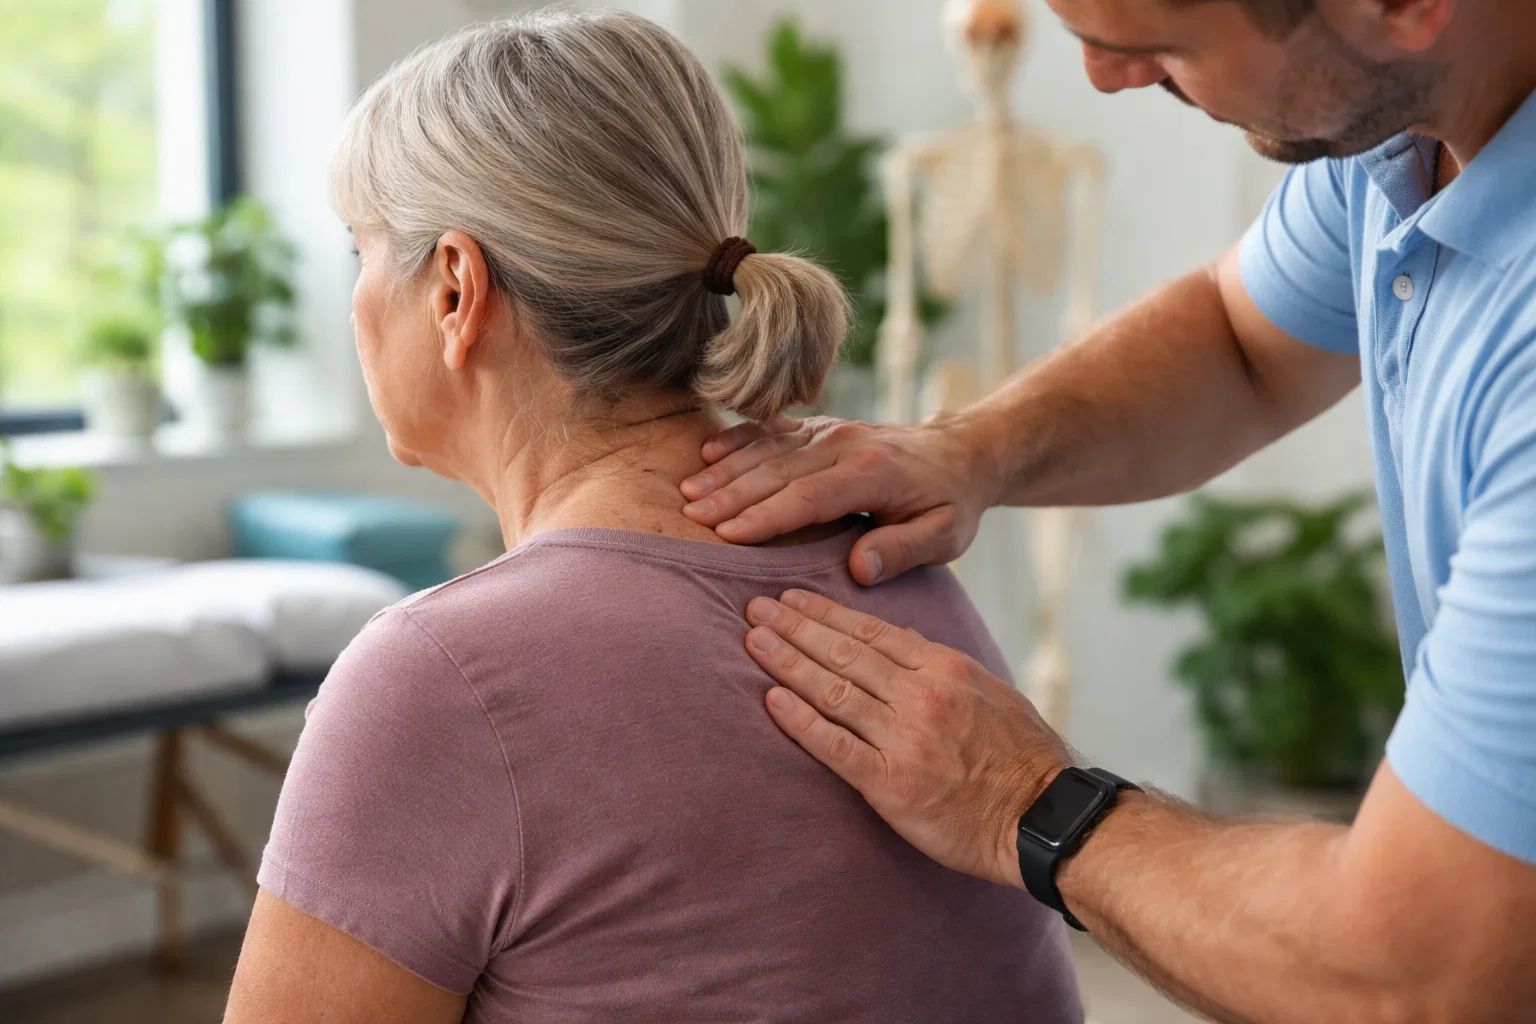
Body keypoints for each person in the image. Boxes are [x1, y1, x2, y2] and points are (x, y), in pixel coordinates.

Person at [677, 0, 1536, 1020]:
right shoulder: (1404, 133)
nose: (1100, 78)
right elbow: (1238, 339)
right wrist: (973, 450)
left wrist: (1026, 802)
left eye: (1159, 47)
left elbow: (1419, 974)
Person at [223, 11, 1085, 1024]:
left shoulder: (438, 680)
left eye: (361, 250)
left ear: (456, 288)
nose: (356, 298)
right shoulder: (888, 558)